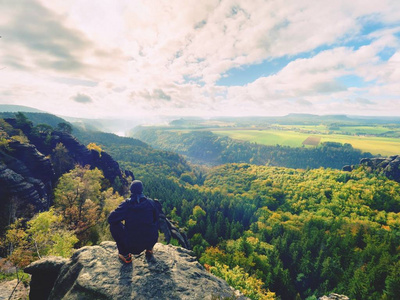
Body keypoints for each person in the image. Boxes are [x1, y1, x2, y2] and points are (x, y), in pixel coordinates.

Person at [108, 180, 160, 263]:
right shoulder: (151, 203)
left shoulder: (126, 205)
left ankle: (125, 255)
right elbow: (156, 220)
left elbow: (111, 219)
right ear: (142, 190)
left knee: (113, 225)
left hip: (132, 246)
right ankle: (149, 249)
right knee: (154, 220)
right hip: (150, 241)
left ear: (131, 190)